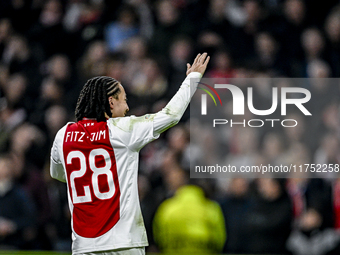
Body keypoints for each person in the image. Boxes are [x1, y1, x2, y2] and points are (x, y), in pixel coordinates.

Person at [49, 53, 210, 255]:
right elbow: (171, 115)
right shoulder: (121, 130)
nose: (127, 108)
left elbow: (58, 174)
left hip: (84, 246)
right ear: (110, 102)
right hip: (123, 243)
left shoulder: (63, 135)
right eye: (123, 100)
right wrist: (192, 79)